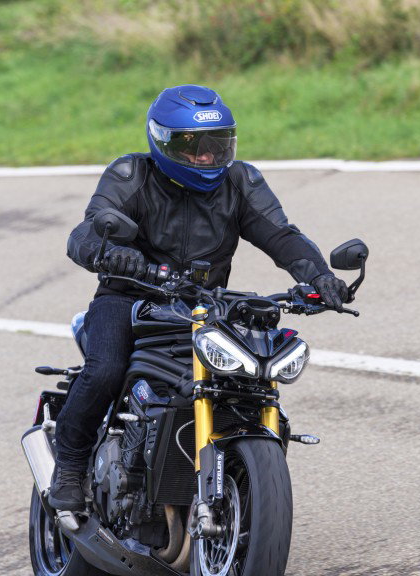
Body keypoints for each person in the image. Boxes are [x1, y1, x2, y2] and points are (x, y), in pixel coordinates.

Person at [47, 84, 349, 510]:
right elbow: (86, 231)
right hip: (128, 298)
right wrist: (112, 253)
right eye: (192, 146)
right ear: (163, 142)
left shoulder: (241, 181)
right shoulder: (130, 175)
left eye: (216, 144)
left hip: (205, 306)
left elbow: (282, 236)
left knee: (251, 381)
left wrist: (320, 277)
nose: (206, 157)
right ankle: (70, 467)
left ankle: (244, 479)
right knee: (105, 369)